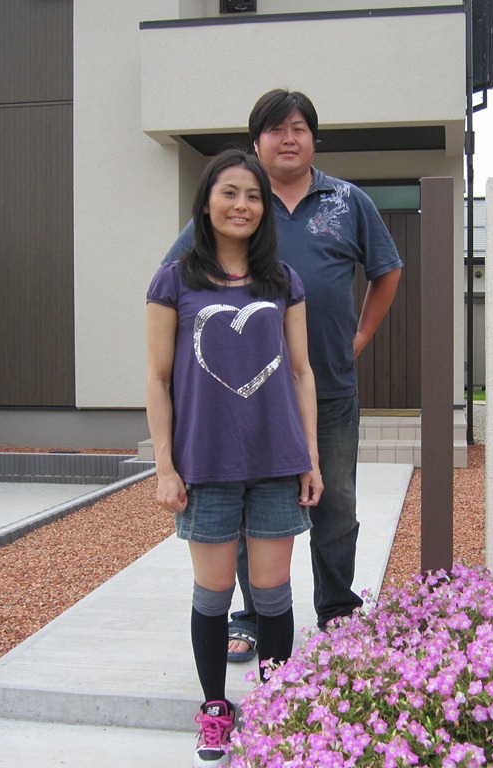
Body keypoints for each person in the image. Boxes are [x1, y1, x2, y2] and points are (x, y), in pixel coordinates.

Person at [163, 89, 403, 661]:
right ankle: (251, 615)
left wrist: (358, 338)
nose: (288, 139)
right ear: (256, 142)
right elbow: (174, 279)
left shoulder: (347, 201)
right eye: (275, 129)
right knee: (250, 511)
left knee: (335, 506)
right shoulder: (239, 201)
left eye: (299, 128)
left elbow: (387, 271)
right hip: (249, 400)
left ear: (313, 138)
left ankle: (338, 610)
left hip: (329, 387)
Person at [146, 148, 323, 768]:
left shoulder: (283, 281)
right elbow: (157, 378)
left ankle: (275, 706)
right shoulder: (174, 280)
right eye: (230, 193)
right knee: (215, 591)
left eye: (253, 196)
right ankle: (215, 708)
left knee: (273, 593)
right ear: (206, 203)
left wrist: (311, 458)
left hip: (276, 460)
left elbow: (301, 372)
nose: (242, 205)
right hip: (206, 463)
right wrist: (165, 465)